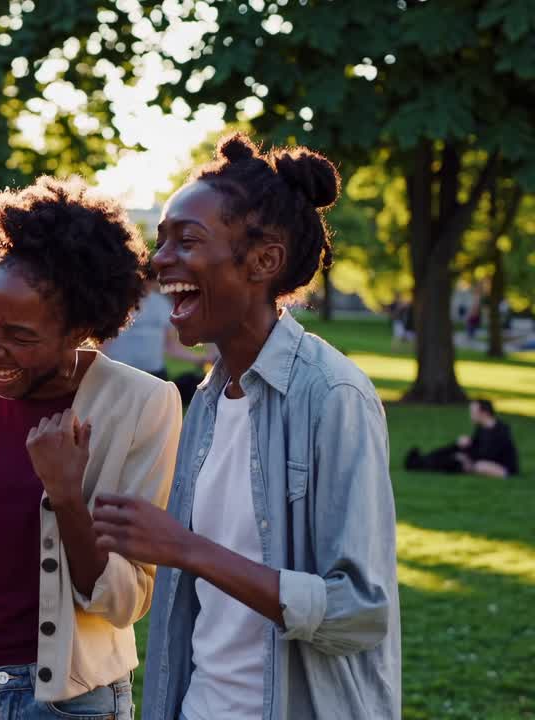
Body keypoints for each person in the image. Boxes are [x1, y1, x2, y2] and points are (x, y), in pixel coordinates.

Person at [93, 134, 401, 720]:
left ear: (264, 261)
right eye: (161, 242)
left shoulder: (333, 396)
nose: (160, 261)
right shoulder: (206, 403)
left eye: (187, 241)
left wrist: (187, 549)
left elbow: (361, 611)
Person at [0, 177, 183, 720]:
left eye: (20, 336)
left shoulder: (143, 404)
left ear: (79, 328)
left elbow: (126, 601)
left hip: (72, 703)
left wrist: (66, 496)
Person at [101, 279, 212, 380]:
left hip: (155, 375)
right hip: (120, 375)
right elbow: (103, 344)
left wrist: (201, 359)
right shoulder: (119, 303)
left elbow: (170, 346)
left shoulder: (162, 304)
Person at [405, 399, 519, 478]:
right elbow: (478, 446)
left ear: (484, 413)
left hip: (496, 467)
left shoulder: (500, 431)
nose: (471, 415)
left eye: (473, 412)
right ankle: (422, 460)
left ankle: (421, 464)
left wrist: (467, 458)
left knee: (455, 461)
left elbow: (490, 454)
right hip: (478, 459)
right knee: (455, 447)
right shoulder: (482, 428)